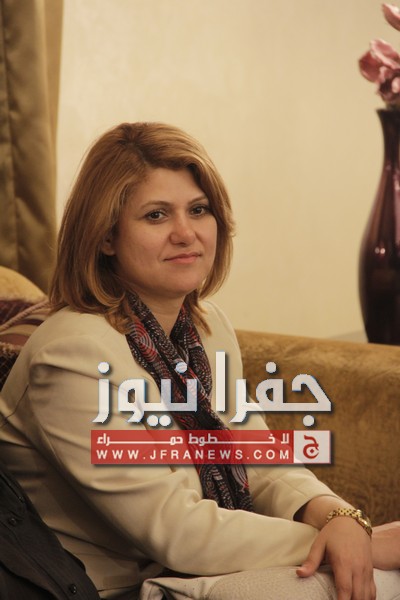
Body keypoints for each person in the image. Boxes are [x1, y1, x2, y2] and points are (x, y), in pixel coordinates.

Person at [0, 122, 399, 600]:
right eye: (156, 215)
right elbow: (176, 530)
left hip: (187, 572)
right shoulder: (71, 355)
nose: (185, 233)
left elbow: (258, 460)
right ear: (105, 236)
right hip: (108, 588)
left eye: (198, 209)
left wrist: (338, 516)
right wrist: (353, 545)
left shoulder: (205, 326)